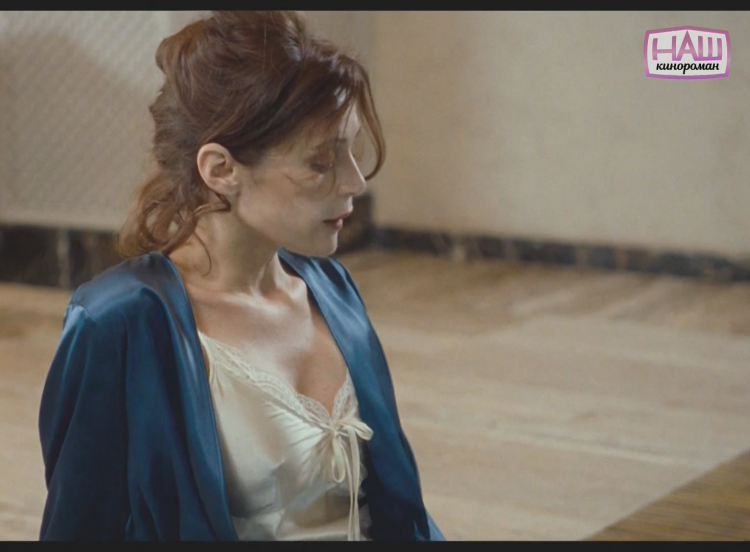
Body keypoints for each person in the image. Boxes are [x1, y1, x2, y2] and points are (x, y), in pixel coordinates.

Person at [37, 11, 445, 541]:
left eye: (350, 150)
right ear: (221, 169)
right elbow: (81, 528)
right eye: (321, 162)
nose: (355, 181)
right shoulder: (118, 323)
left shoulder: (332, 290)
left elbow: (401, 511)